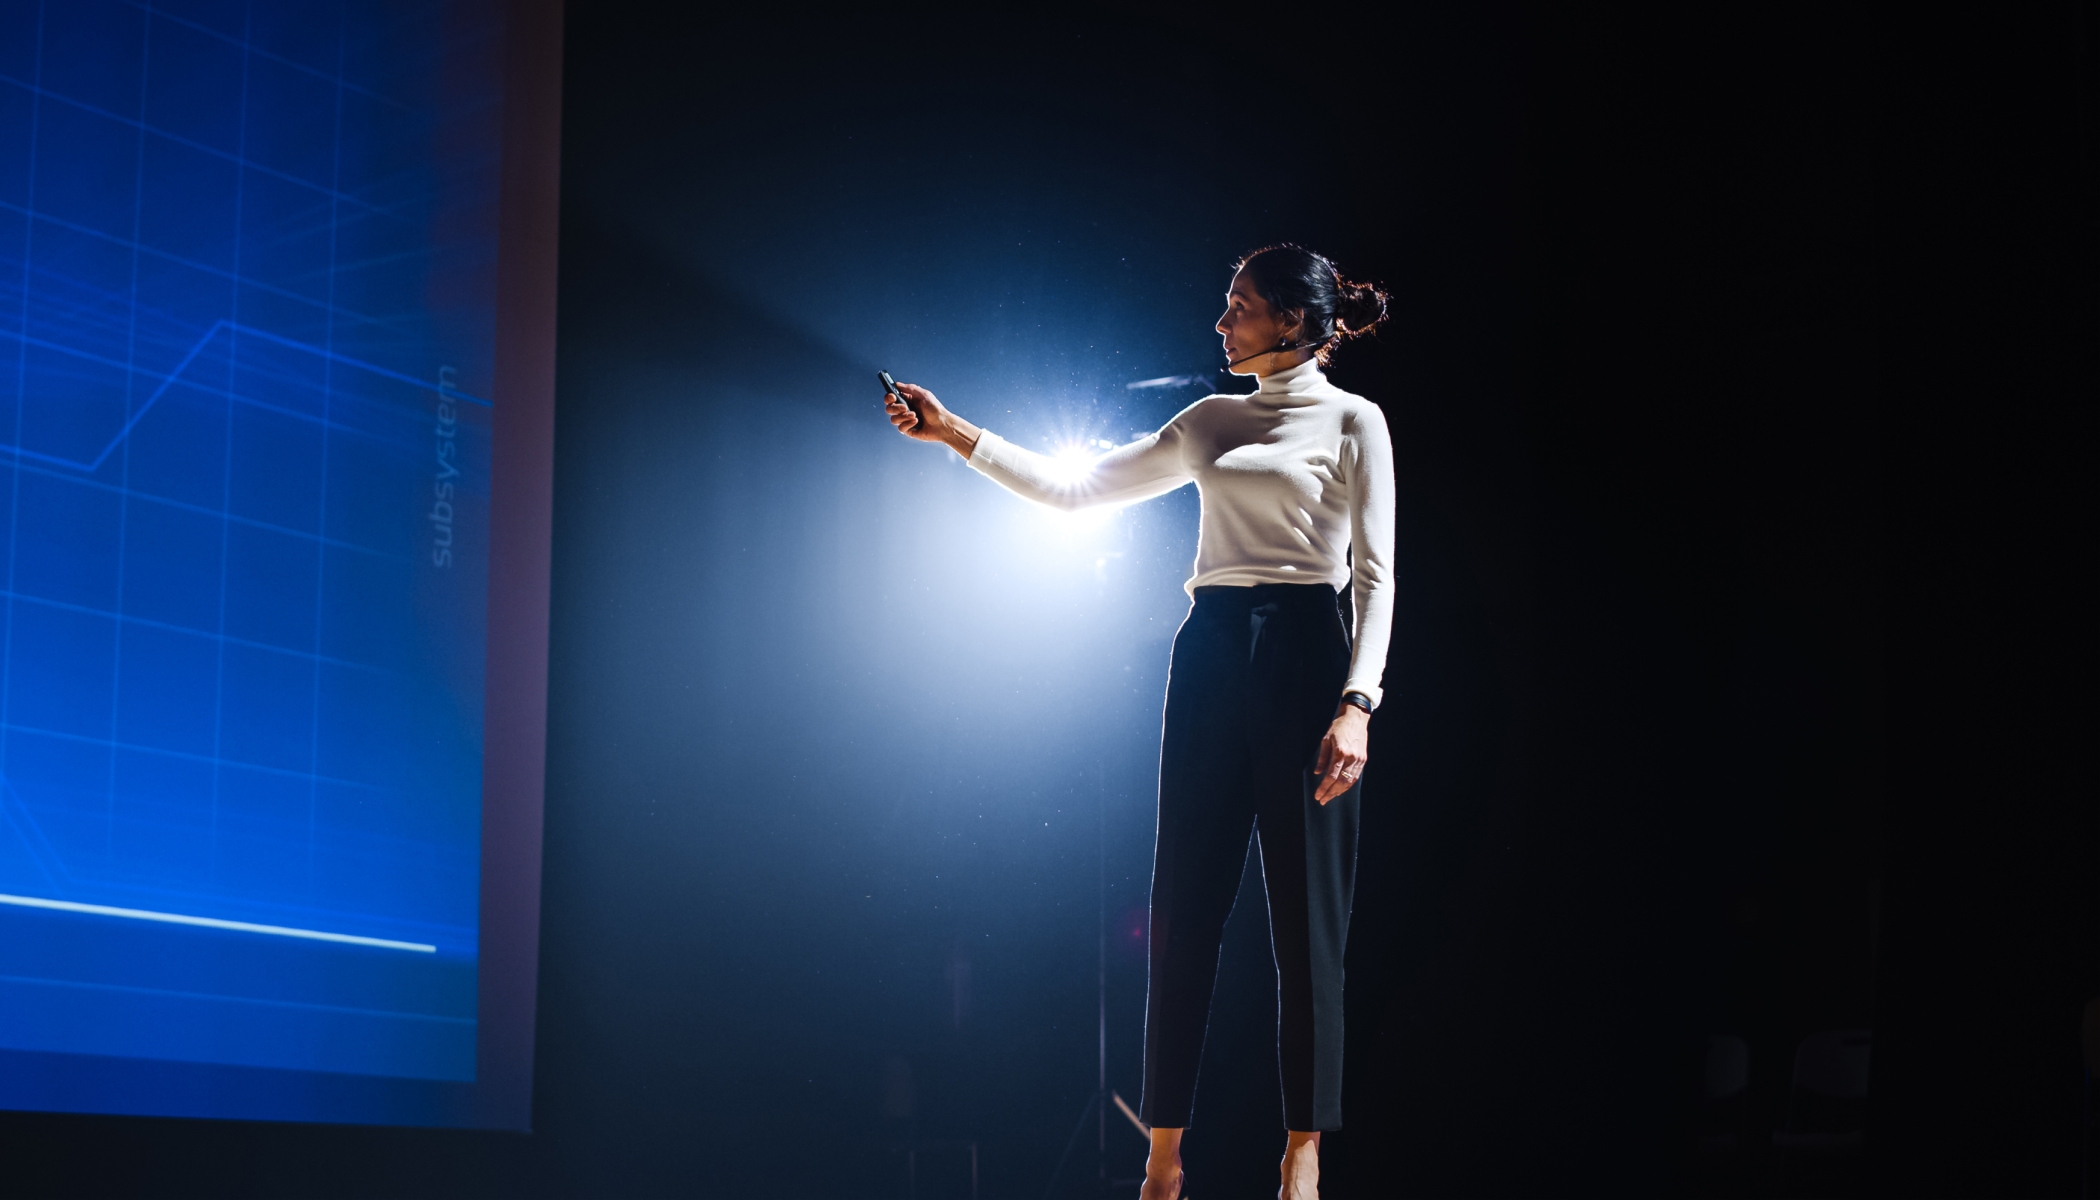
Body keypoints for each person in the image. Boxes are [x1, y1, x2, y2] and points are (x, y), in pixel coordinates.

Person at [883, 245, 1394, 1200]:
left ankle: (1303, 1153)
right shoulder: (1211, 419)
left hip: (1309, 657)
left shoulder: (1356, 422)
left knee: (1306, 924)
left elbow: (1375, 576)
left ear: (1290, 322)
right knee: (1183, 908)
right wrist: (956, 434)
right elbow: (1080, 491)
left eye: (1238, 308)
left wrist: (1356, 703)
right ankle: (1164, 1155)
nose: (1220, 324)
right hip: (1209, 654)